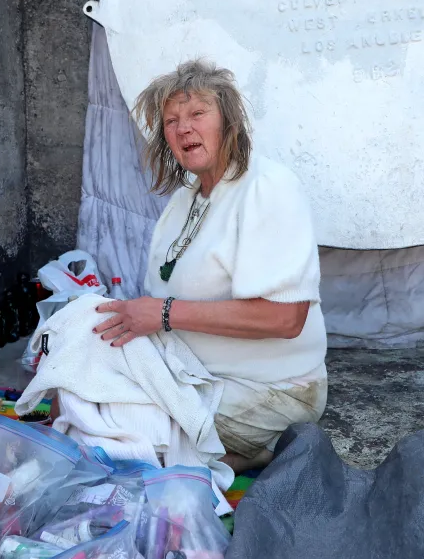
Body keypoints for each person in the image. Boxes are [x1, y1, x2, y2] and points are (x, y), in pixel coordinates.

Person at [93, 59, 328, 472]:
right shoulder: (185, 199)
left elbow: (286, 319)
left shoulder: (267, 188)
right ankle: (210, 455)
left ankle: (245, 451)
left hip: (267, 390)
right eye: (171, 121)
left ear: (228, 122)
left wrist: (164, 314)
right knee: (81, 380)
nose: (183, 128)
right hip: (188, 372)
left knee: (113, 433)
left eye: (197, 113)